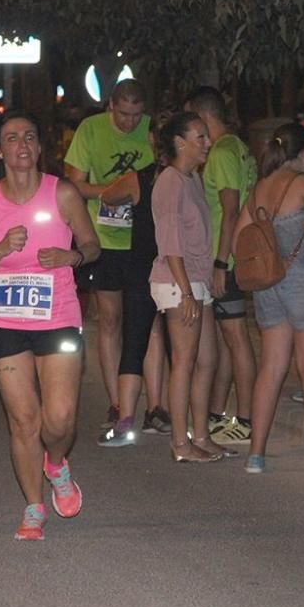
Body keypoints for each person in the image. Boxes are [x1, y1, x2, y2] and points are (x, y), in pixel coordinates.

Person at [0, 111, 99, 540]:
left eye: (31, 138)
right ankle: (33, 506)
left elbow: (92, 245)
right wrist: (0, 249)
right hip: (3, 319)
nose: (23, 145)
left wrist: (71, 257)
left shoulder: (63, 194)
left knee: (58, 420)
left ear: (39, 147)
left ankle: (56, 462)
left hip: (56, 314)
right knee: (24, 420)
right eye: (12, 138)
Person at [236, 123, 304, 474]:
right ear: (303, 154)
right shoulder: (302, 184)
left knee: (271, 367)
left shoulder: (258, 190)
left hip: (269, 285)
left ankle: (256, 454)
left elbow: (241, 238)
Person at [64, 79, 158, 431]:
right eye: (123, 114)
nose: (130, 122)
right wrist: (116, 192)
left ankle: (154, 402)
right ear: (111, 106)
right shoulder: (90, 130)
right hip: (104, 239)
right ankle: (116, 401)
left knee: (147, 321)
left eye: (136, 115)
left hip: (144, 240)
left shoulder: (152, 131)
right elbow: (74, 183)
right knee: (110, 320)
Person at [150, 111, 227, 463]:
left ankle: (202, 435)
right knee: (184, 361)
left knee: (208, 359)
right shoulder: (170, 180)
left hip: (197, 279)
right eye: (200, 137)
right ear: (180, 142)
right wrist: (184, 291)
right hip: (176, 280)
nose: (207, 143)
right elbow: (170, 242)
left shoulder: (192, 178)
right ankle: (180, 443)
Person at [183, 87, 257, 446]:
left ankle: (245, 420)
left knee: (236, 338)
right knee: (229, 340)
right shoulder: (237, 147)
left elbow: (230, 210)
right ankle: (217, 415)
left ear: (204, 116)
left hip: (223, 258)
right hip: (226, 256)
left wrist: (218, 263)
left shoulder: (225, 150)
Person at [96, 163, 172, 445]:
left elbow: (108, 195)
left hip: (150, 267)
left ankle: (132, 418)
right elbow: (107, 195)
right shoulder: (181, 179)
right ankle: (148, 413)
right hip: (163, 268)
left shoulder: (144, 178)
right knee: (151, 338)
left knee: (141, 341)